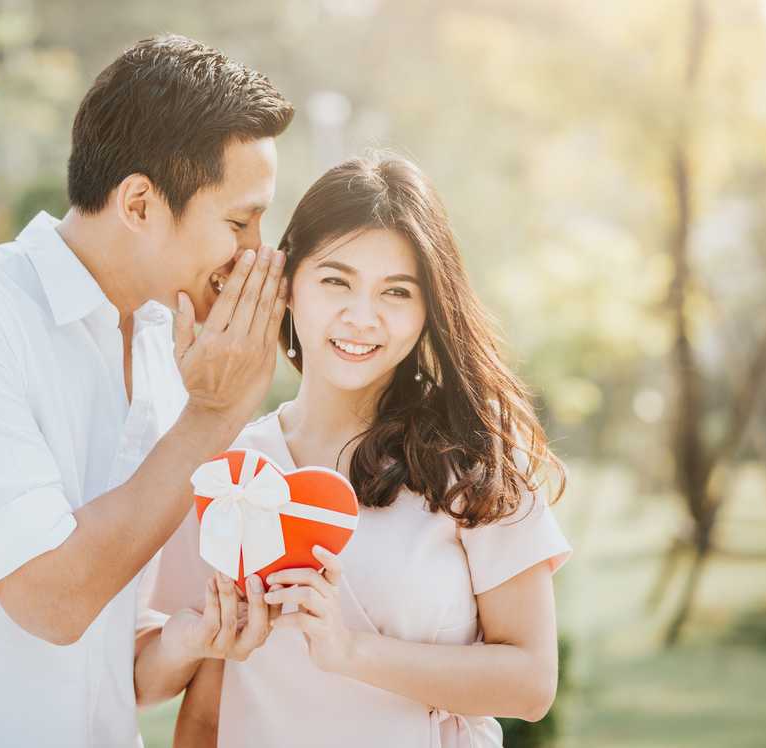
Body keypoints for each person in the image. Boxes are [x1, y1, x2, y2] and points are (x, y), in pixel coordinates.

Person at [0, 35, 294, 747]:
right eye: (239, 221)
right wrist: (214, 417)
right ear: (139, 203)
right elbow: (52, 599)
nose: (259, 252)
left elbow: (110, 656)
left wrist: (193, 640)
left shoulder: (170, 357)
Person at [152, 153, 573, 747]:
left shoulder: (472, 460)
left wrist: (351, 651)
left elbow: (531, 683)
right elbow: (201, 703)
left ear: (429, 309)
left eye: (396, 292)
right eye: (335, 281)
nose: (362, 318)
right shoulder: (233, 470)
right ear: (289, 284)